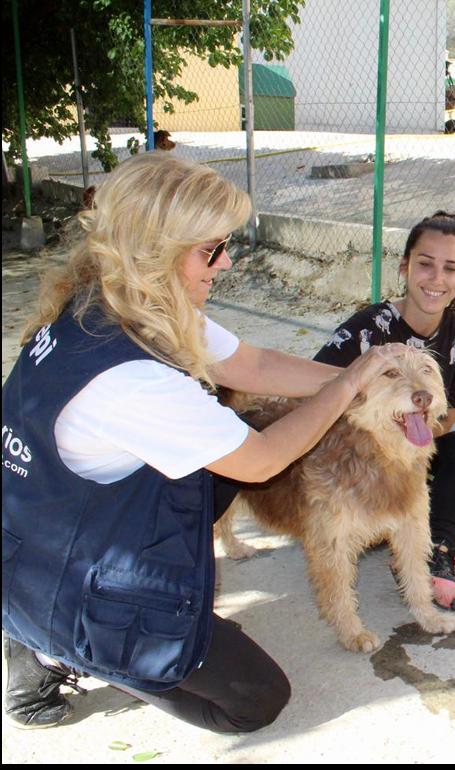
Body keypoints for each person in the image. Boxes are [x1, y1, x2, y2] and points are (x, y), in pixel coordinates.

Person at [2, 152, 410, 732]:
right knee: (255, 699)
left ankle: (53, 629)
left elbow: (256, 365)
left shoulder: (121, 300)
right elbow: (263, 457)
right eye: (211, 250)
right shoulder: (131, 377)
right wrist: (347, 385)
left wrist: (371, 379)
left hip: (45, 532)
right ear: (156, 251)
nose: (226, 263)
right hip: (62, 573)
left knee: (211, 464)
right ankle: (69, 649)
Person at [313, 212, 455, 613]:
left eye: (450, 268)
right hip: (361, 464)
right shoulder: (368, 330)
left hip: (415, 455)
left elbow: (448, 415)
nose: (436, 278)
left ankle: (437, 553)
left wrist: (410, 435)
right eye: (425, 263)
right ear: (405, 266)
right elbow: (317, 395)